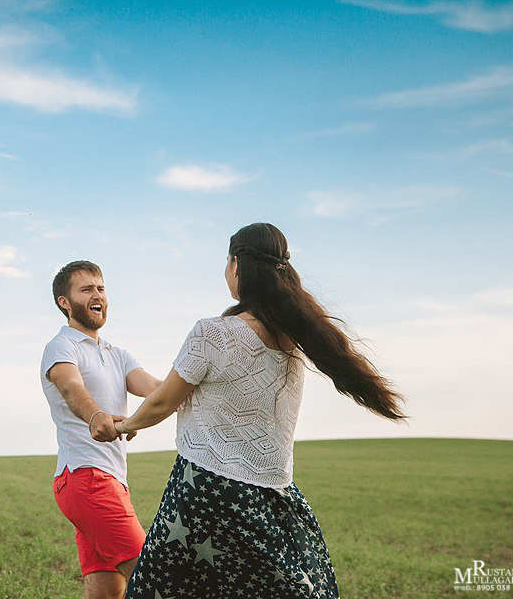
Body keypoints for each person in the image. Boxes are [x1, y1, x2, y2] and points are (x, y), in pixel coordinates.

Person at [113, 223, 406, 599]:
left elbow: (161, 402)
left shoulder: (212, 333)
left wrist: (125, 424)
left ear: (236, 266)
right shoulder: (294, 341)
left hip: (205, 493)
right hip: (272, 498)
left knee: (159, 589)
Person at [41, 260, 163, 599]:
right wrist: (96, 415)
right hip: (86, 479)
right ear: (65, 302)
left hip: (109, 480)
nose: (97, 295)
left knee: (107, 592)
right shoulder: (61, 347)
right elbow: (70, 387)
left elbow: (155, 387)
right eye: (86, 289)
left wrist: (198, 385)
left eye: (101, 288)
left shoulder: (117, 354)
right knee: (151, 577)